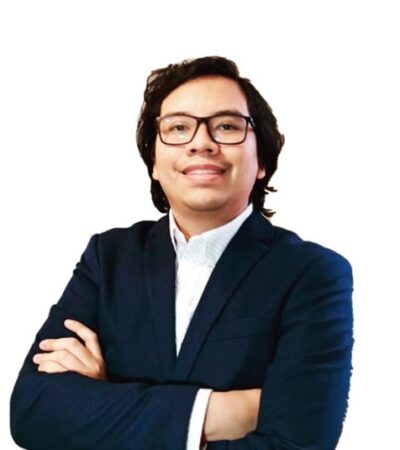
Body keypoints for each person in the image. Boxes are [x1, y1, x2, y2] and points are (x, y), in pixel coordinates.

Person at [10, 56, 354, 450]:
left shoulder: (312, 273)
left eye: (227, 126)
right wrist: (221, 410)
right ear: (154, 163)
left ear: (262, 159)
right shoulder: (108, 258)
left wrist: (102, 404)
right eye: (178, 128)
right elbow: (32, 412)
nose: (201, 142)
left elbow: (299, 443)